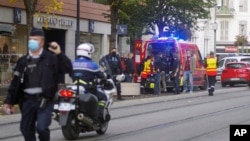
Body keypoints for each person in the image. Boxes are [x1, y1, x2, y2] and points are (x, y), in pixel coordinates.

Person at [3, 27, 73, 141]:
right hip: (27, 101)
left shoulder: (50, 59)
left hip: (44, 101)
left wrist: (60, 54)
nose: (32, 42)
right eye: (30, 39)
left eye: (35, 39)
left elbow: (67, 68)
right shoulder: (23, 61)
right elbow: (15, 82)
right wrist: (8, 102)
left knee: (42, 128)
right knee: (25, 129)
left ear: (42, 42)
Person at [71, 43, 108, 121]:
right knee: (103, 98)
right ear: (88, 53)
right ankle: (98, 117)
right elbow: (101, 75)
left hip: (73, 87)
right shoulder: (92, 64)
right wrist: (106, 76)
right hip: (87, 88)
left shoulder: (72, 63)